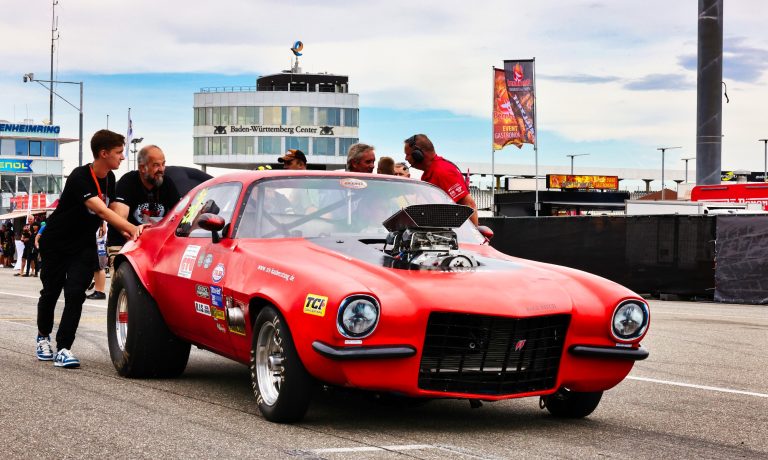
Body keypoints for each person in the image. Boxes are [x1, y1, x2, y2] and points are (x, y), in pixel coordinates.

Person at [35, 129, 146, 369]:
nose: (123, 156)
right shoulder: (80, 176)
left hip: (83, 245)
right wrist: (132, 228)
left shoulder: (110, 178)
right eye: (119, 152)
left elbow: (112, 209)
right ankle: (43, 336)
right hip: (56, 242)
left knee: (75, 293)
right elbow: (101, 209)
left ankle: (63, 348)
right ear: (103, 153)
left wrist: (126, 229)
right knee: (51, 291)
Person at [106, 144, 181, 266]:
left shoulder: (167, 183)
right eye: (156, 165)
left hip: (155, 244)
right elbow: (120, 218)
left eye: (163, 164)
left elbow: (180, 213)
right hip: (124, 244)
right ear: (142, 168)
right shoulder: (128, 181)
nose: (161, 169)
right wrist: (135, 230)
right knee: (124, 274)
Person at [404, 133, 478, 225]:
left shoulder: (442, 172)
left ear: (418, 155)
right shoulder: (428, 174)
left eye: (408, 154)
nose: (406, 158)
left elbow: (469, 205)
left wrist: (473, 233)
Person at [86, 222, 108, 300]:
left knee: (100, 267)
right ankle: (98, 290)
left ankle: (100, 291)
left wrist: (102, 224)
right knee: (96, 268)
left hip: (99, 241)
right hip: (97, 240)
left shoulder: (102, 223)